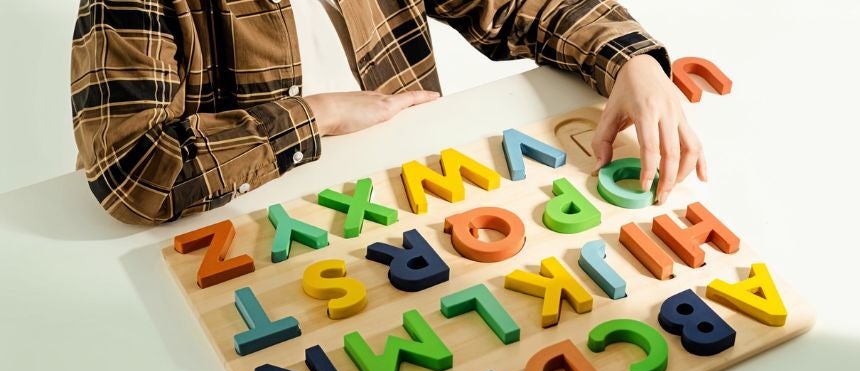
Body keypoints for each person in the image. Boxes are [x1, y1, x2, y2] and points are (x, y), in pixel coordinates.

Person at [71, 0, 706, 225]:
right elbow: (132, 172)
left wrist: (633, 63)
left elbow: (523, 5)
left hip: (409, 201)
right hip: (256, 217)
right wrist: (317, 115)